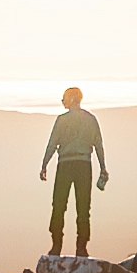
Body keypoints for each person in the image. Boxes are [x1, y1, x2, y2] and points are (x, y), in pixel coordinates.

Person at [36, 88, 108, 257]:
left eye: (64, 99)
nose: (63, 102)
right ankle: (81, 248)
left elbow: (52, 143)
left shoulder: (61, 120)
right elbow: (98, 145)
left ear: (72, 99)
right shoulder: (91, 119)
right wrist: (103, 167)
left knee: (59, 205)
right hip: (84, 165)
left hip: (65, 165)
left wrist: (44, 164)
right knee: (83, 207)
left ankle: (56, 246)